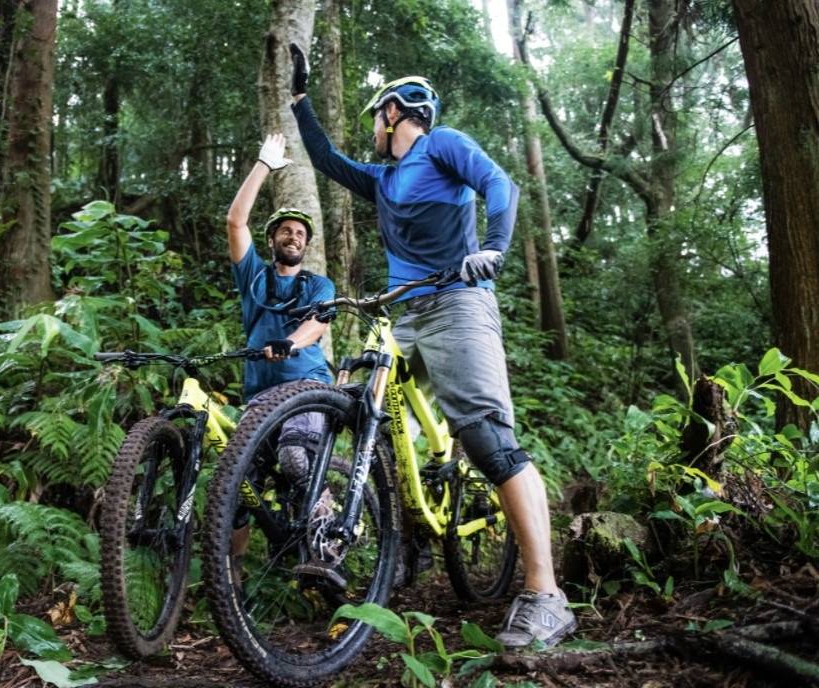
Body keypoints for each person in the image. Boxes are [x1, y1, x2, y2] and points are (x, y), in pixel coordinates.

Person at [287, 43, 577, 649]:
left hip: (456, 300)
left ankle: (546, 594)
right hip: (399, 311)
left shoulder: (441, 145)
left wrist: (495, 246)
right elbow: (324, 158)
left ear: (395, 112)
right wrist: (299, 98)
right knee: (358, 414)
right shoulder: (384, 177)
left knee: (487, 439)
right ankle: (385, 548)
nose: (373, 128)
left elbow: (499, 184)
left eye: (376, 116)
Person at [226, 131, 342, 583]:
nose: (293, 237)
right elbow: (236, 223)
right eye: (285, 231)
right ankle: (230, 574)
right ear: (271, 239)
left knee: (296, 459)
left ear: (305, 245)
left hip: (307, 388)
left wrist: (293, 341)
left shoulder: (318, 285)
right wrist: (263, 165)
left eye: (300, 233)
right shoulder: (253, 278)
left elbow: (319, 323)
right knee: (237, 483)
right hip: (260, 395)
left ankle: (327, 547)